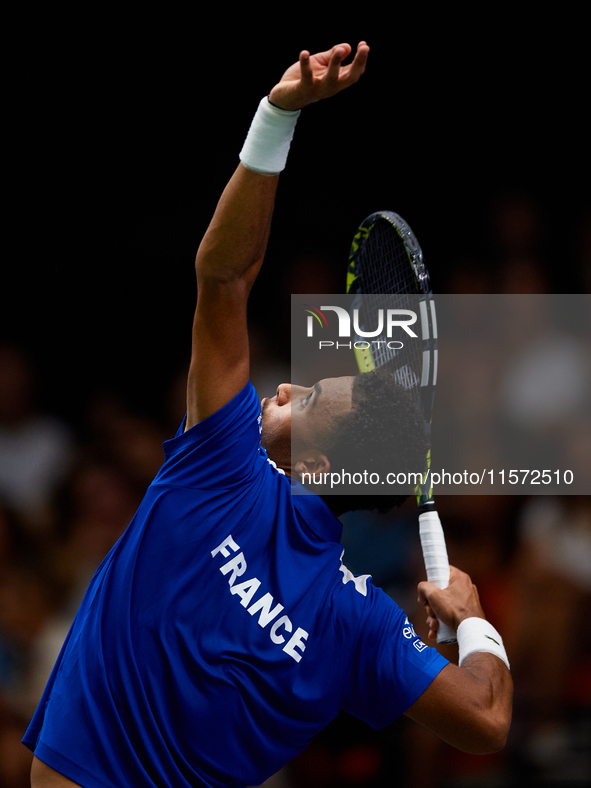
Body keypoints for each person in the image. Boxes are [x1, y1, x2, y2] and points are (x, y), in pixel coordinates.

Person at [24, 42, 513, 788]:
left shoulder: (222, 466)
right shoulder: (361, 623)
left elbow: (223, 274)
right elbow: (483, 717)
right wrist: (472, 619)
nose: (280, 391)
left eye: (307, 398)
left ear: (315, 462)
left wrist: (276, 115)